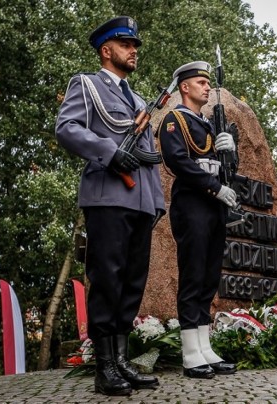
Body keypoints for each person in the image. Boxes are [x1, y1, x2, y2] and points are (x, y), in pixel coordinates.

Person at [55, 16, 164, 395]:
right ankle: (105, 369)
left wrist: (157, 202)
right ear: (107, 50)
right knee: (108, 280)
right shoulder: (86, 85)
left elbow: (149, 155)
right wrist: (109, 153)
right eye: (126, 44)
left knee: (133, 282)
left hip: (141, 201)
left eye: (135, 45)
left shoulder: (137, 99)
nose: (134, 50)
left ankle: (121, 361)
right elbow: (67, 128)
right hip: (107, 196)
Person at [158, 61, 237, 379]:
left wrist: (230, 149)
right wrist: (215, 187)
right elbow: (177, 160)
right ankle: (191, 353)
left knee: (208, 279)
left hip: (213, 207)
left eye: (208, 82)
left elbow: (223, 166)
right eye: (200, 82)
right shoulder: (174, 120)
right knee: (193, 278)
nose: (207, 87)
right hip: (192, 204)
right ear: (184, 88)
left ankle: (205, 348)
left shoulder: (207, 123)